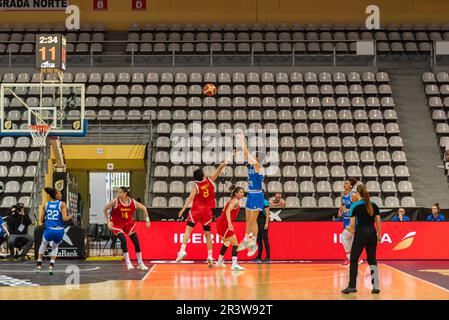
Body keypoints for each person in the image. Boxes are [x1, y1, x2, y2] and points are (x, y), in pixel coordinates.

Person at [176, 152, 234, 267]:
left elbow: (190, 198)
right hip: (208, 211)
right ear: (203, 175)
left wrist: (183, 209)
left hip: (196, 210)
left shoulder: (196, 185)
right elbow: (219, 168)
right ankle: (210, 256)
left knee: (188, 230)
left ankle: (182, 250)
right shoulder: (210, 180)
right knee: (208, 234)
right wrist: (227, 160)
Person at [341, 184, 381, 294]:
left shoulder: (355, 206)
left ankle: (352, 286)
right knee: (372, 259)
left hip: (361, 233)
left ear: (358, 193)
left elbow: (352, 225)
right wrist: (379, 234)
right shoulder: (374, 205)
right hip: (372, 233)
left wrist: (348, 230)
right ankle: (376, 286)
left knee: (354, 259)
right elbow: (378, 221)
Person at [103, 187, 151, 271]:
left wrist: (147, 220)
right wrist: (108, 222)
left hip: (128, 224)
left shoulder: (133, 202)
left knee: (136, 242)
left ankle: (140, 262)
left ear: (125, 194)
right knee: (123, 240)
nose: (118, 194)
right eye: (117, 192)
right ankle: (128, 263)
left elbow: (144, 208)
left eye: (120, 192)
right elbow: (105, 209)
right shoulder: (115, 201)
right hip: (117, 225)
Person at [235, 132, 264, 257]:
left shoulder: (257, 166)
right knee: (248, 219)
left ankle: (251, 242)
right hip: (251, 195)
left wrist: (241, 140)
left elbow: (246, 153)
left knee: (253, 220)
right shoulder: (251, 167)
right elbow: (247, 155)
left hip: (257, 195)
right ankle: (248, 240)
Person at [36, 187, 73, 275]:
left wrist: (49, 221)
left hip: (49, 230)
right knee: (55, 247)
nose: (61, 194)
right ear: (56, 195)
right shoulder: (62, 204)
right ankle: (51, 266)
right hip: (59, 231)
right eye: (60, 193)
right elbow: (65, 218)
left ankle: (39, 265)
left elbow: (41, 220)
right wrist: (70, 216)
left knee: (43, 245)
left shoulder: (46, 204)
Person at [215, 186, 245, 271]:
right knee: (235, 244)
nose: (242, 193)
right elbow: (228, 211)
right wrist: (229, 223)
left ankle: (219, 262)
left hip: (220, 222)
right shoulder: (235, 201)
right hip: (224, 223)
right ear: (236, 193)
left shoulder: (233, 199)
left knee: (227, 242)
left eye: (243, 192)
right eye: (240, 192)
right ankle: (234, 264)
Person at [338, 177, 360, 266]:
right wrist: (340, 211)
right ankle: (354, 260)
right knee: (350, 241)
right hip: (345, 219)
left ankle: (352, 259)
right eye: (344, 183)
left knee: (343, 237)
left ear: (351, 186)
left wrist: (350, 209)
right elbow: (342, 205)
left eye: (347, 183)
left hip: (352, 220)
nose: (344, 185)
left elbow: (359, 206)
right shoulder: (342, 194)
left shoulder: (353, 195)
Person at [253, 198, 270, 263]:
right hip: (258, 221)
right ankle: (259, 257)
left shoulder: (265, 202)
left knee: (265, 240)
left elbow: (267, 213)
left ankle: (268, 257)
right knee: (259, 240)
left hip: (263, 221)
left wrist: (266, 223)